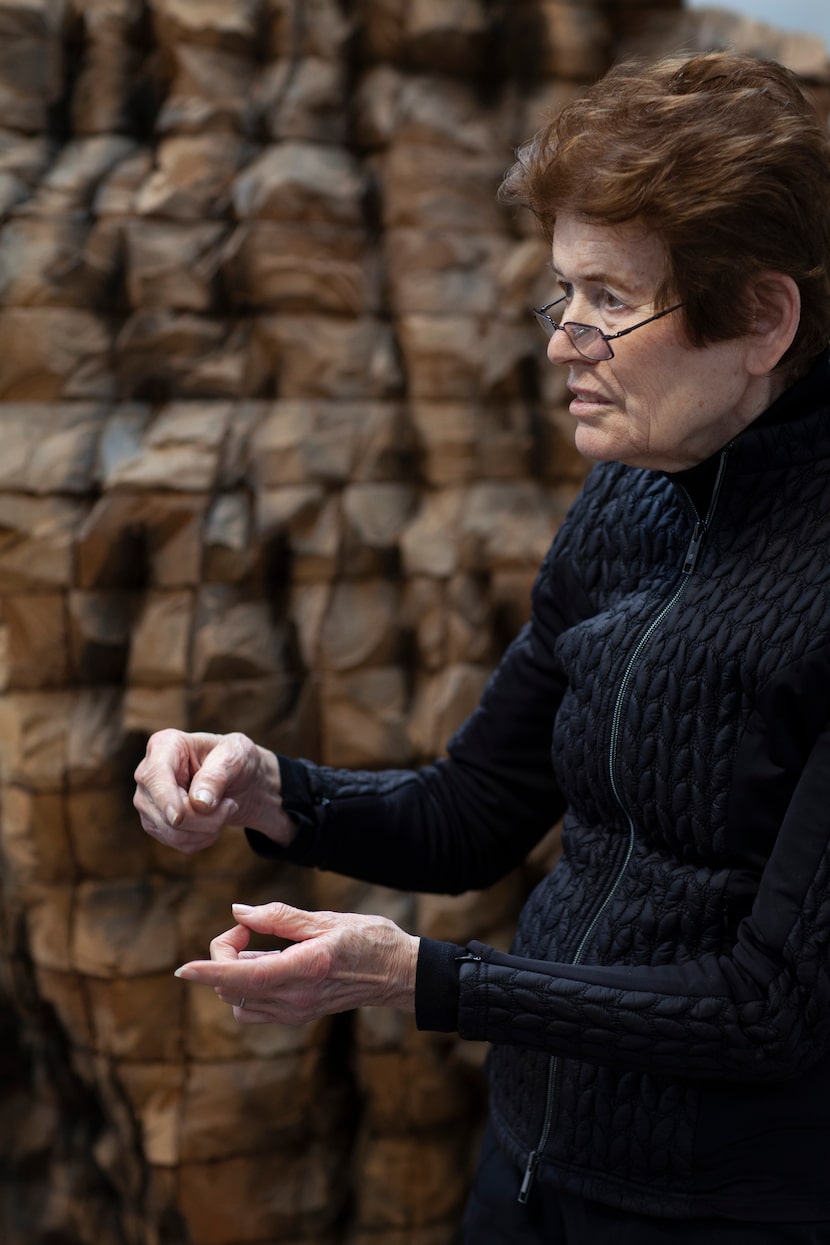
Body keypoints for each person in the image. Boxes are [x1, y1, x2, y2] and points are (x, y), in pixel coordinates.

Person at [134, 51, 830, 1243]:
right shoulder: (628, 497)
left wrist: (417, 979)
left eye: (609, 300)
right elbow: (470, 812)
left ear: (760, 319)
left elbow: (770, 1009)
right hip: (523, 1173)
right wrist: (272, 790)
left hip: (724, 1213)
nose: (564, 341)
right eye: (560, 294)